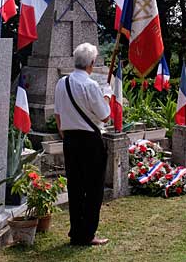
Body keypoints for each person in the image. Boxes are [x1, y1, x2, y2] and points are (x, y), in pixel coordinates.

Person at [54, 43, 112, 246]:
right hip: (90, 140)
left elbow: (58, 114)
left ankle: (76, 232)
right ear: (92, 63)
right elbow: (105, 116)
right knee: (94, 188)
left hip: (70, 140)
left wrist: (64, 133)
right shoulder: (90, 85)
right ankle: (87, 234)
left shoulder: (62, 83)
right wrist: (107, 95)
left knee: (76, 187)